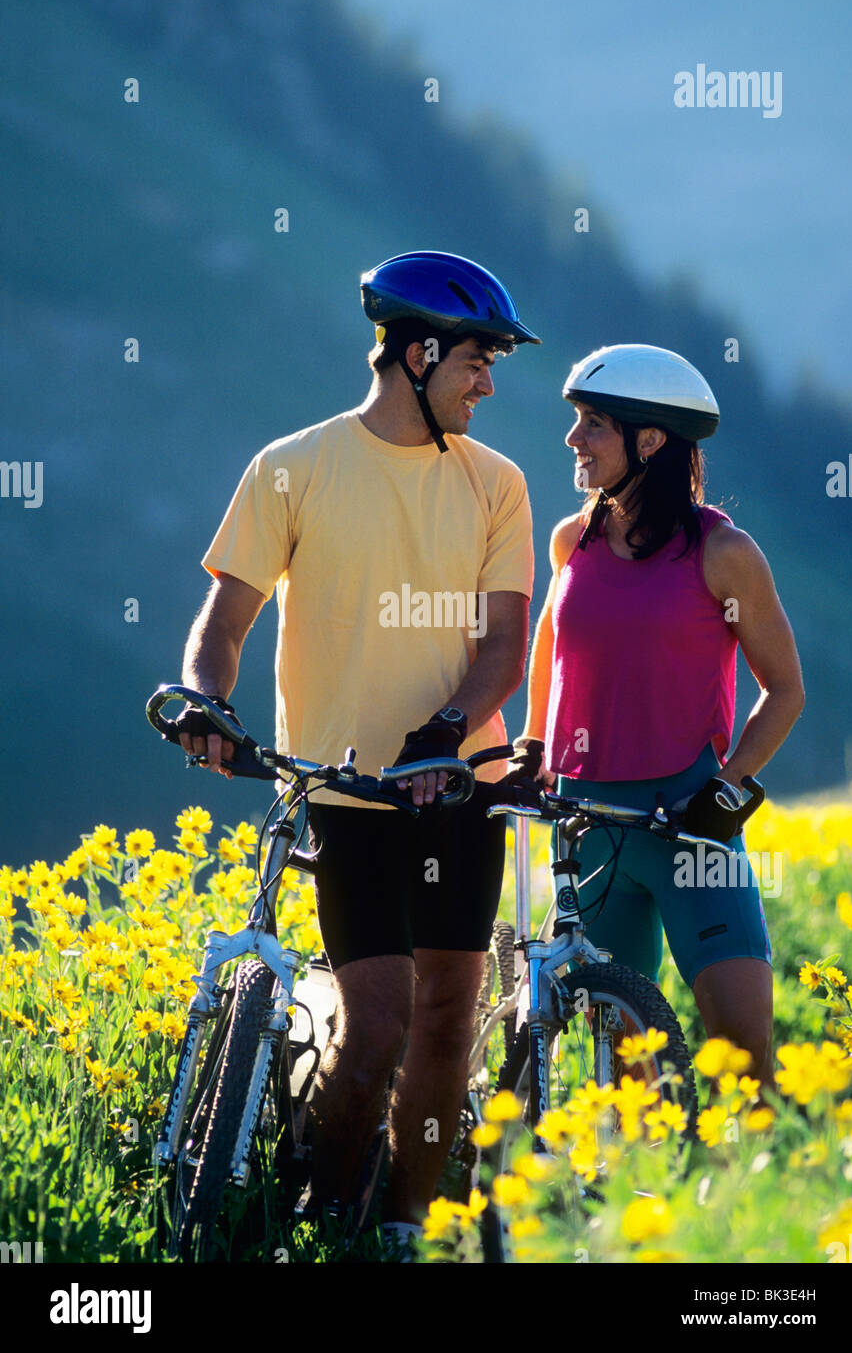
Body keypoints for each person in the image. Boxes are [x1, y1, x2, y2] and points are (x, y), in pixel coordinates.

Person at [174, 250, 540, 1253]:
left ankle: (398, 1228)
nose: (488, 382)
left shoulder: (496, 484)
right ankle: (323, 1216)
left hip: (463, 790)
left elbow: (505, 644)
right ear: (417, 354)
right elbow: (225, 617)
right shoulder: (291, 467)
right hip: (343, 793)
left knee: (444, 1024)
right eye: (476, 360)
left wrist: (443, 732)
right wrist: (205, 696)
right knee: (375, 1021)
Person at [509, 344, 805, 1090]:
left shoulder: (723, 552)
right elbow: (551, 650)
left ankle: (754, 1199)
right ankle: (643, 1203)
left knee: (745, 1061)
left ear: (650, 441)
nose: (574, 439)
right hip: (590, 824)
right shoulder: (571, 541)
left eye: (594, 424)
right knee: (629, 1069)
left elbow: (785, 688)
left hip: (688, 822)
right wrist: (535, 744)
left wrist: (730, 787)